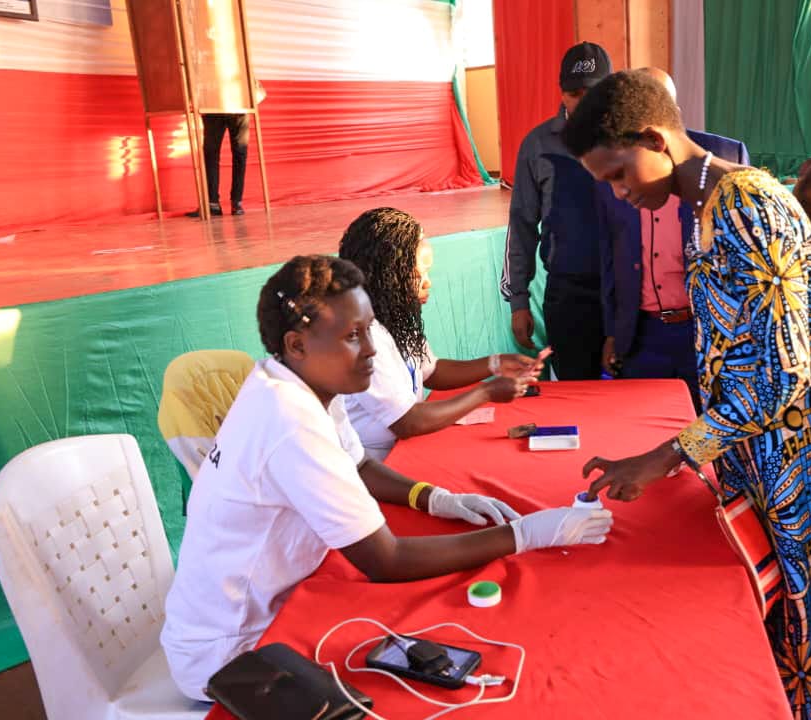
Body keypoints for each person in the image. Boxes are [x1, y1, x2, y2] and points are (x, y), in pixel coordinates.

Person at [563, 72, 811, 720]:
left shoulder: (744, 203)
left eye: (618, 173)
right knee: (799, 635)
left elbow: (780, 375)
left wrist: (668, 455)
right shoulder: (709, 205)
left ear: (653, 138)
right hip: (777, 451)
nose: (620, 191)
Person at [161, 255, 613, 700]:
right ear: (297, 344)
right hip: (236, 653)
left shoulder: (294, 382)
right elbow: (386, 560)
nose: (372, 350)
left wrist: (432, 497)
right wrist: (526, 533)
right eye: (352, 337)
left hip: (274, 604)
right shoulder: (289, 420)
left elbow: (357, 465)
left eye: (369, 330)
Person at [339, 208, 540, 460]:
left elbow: (431, 371)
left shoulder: (394, 320)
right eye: (417, 273)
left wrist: (495, 363)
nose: (427, 282)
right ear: (385, 276)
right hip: (377, 463)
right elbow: (406, 422)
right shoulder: (365, 338)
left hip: (406, 449)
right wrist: (485, 393)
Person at [597, 67, 748, 400]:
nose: (620, 191)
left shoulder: (733, 174)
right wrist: (614, 331)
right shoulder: (618, 165)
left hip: (703, 333)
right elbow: (611, 254)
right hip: (642, 334)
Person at [501, 42, 612, 379]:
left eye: (591, 92)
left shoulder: (630, 139)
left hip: (623, 293)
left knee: (628, 395)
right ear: (561, 92)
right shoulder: (537, 145)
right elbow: (521, 224)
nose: (582, 101)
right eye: (573, 92)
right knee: (576, 390)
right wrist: (519, 300)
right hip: (568, 295)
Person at [186, 81, 266, 218]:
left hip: (236, 107)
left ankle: (235, 202)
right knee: (212, 154)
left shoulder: (238, 60)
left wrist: (248, 100)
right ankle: (214, 204)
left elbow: (258, 90)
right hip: (215, 107)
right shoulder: (203, 61)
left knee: (237, 154)